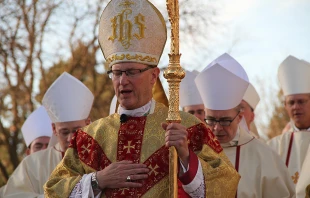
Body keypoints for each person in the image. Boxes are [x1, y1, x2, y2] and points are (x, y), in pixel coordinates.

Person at [44, 0, 240, 197]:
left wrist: (186, 155)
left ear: (153, 76)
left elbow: (226, 185)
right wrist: (99, 179)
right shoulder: (90, 136)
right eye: (116, 73)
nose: (122, 81)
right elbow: (53, 190)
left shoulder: (187, 128)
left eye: (131, 72)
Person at [195, 53, 295, 197]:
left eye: (224, 120)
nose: (217, 128)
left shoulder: (265, 157)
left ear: (239, 117)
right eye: (211, 120)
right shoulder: (194, 152)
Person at [3, 72, 94, 197]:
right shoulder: (32, 164)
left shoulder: (101, 156)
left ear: (88, 124)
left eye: (76, 131)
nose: (70, 138)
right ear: (54, 129)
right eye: (64, 132)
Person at [267, 55, 310, 188]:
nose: (296, 107)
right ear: (285, 106)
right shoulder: (273, 147)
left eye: (301, 101)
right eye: (291, 102)